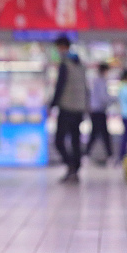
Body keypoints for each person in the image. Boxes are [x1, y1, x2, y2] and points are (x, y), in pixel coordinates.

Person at [50, 34, 89, 183]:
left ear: (62, 47)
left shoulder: (65, 64)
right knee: (75, 140)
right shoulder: (80, 64)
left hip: (66, 108)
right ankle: (74, 170)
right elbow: (86, 88)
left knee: (59, 140)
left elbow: (60, 87)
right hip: (79, 108)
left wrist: (52, 105)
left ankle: (71, 166)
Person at [85, 63, 113, 161]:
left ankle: (87, 154)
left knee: (97, 133)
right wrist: (113, 99)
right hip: (98, 111)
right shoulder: (99, 81)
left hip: (97, 110)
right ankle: (109, 155)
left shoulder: (97, 80)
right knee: (100, 133)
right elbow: (103, 97)